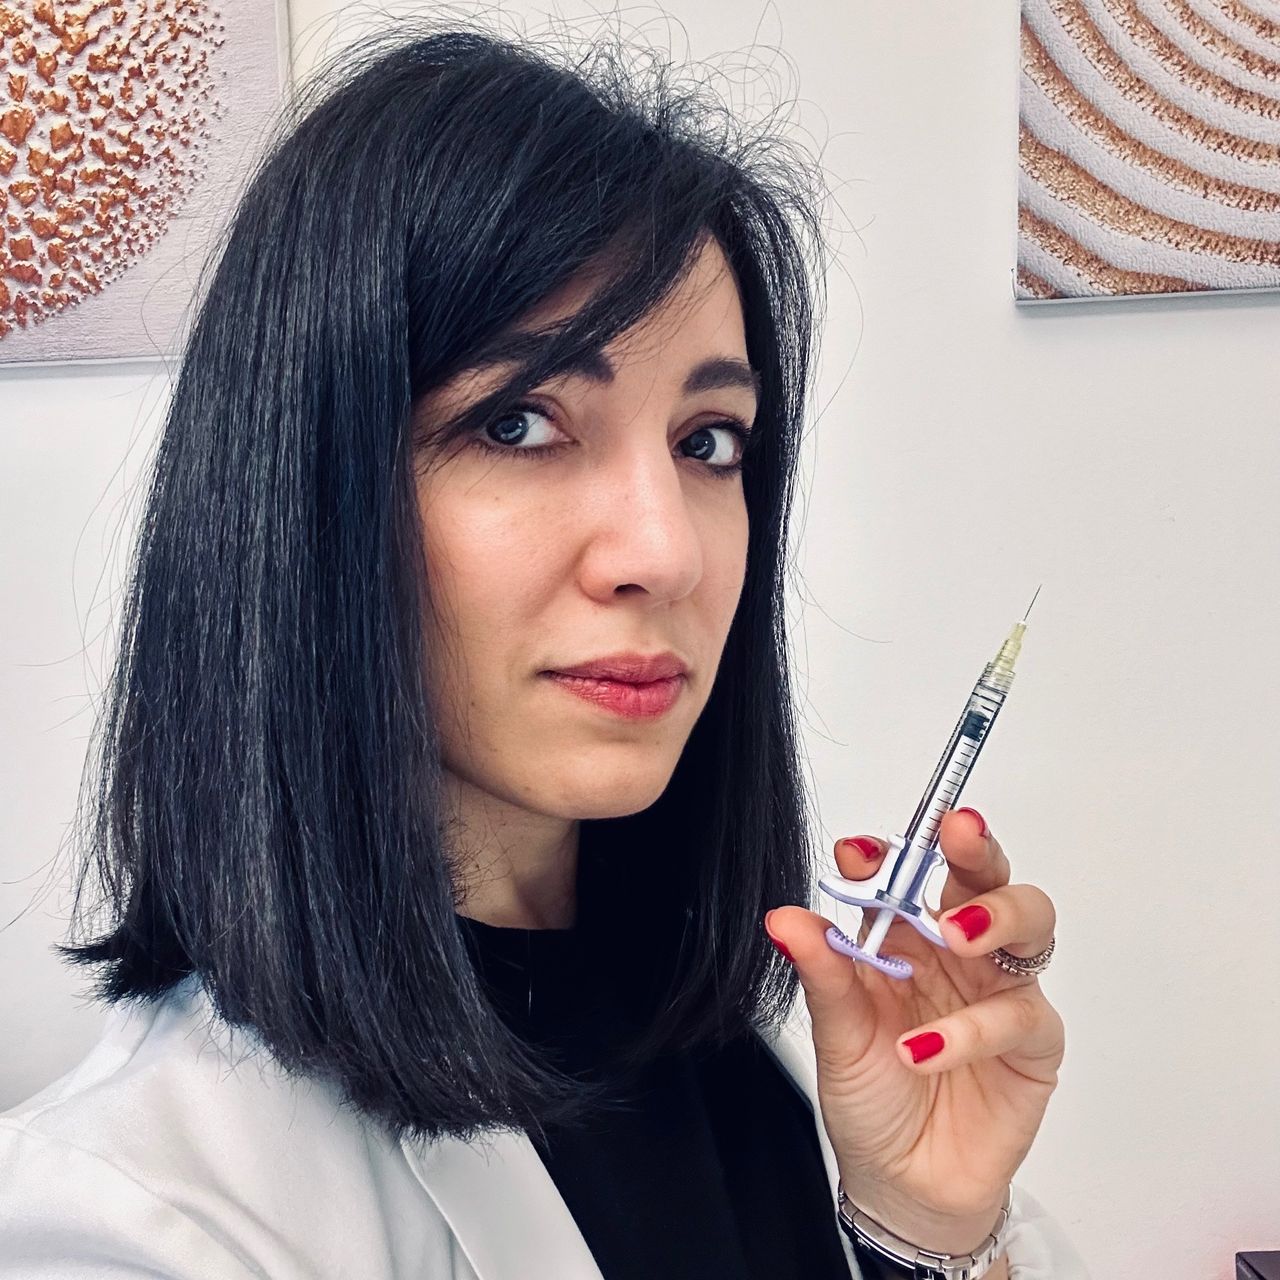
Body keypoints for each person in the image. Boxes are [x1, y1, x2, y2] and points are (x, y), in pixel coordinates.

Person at [0, 17, 1090, 1279]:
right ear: (302, 494)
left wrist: (923, 1236)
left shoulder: (729, 1054)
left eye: (707, 442)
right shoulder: (129, 1223)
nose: (664, 551)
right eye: (520, 423)